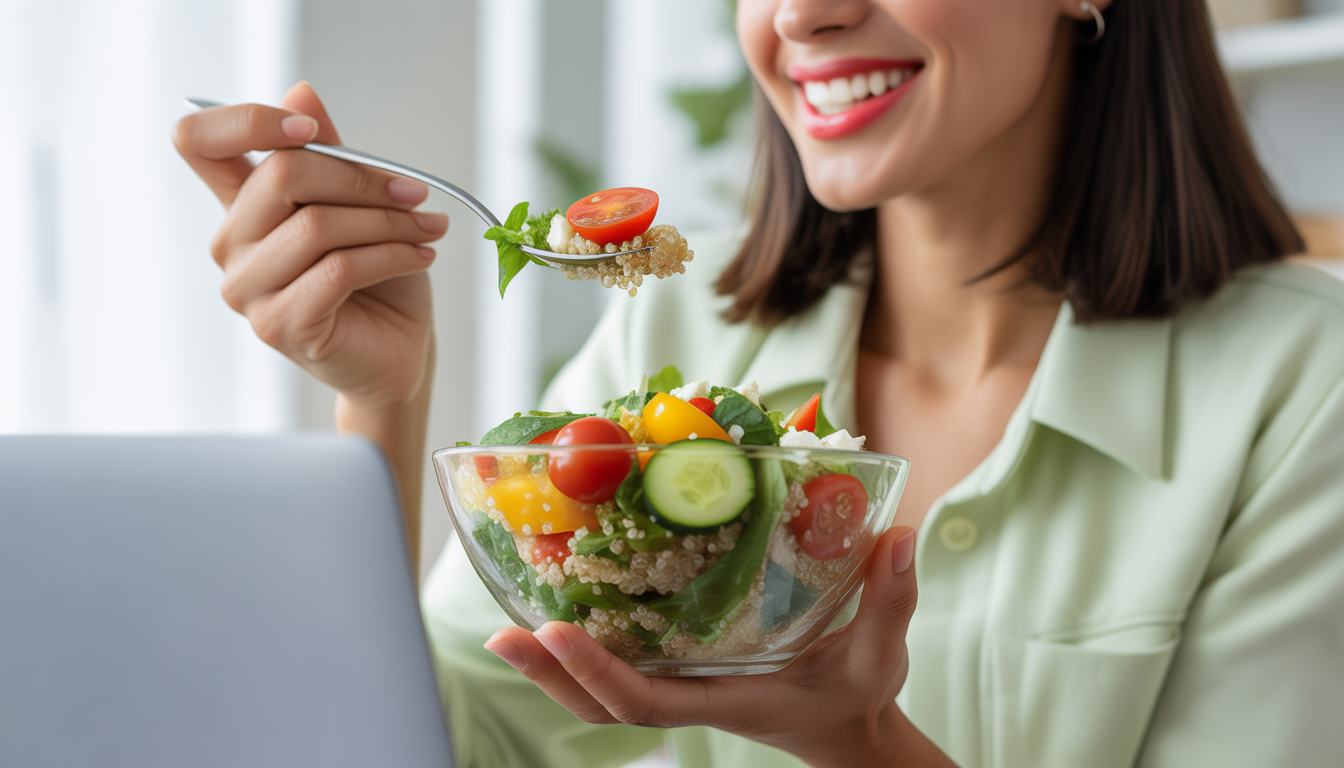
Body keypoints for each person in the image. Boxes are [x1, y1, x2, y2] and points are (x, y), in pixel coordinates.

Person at [173, 0, 1344, 765]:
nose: (802, 14)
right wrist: (378, 395)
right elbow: (455, 746)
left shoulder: (1306, 386)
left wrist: (857, 740)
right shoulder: (675, 340)